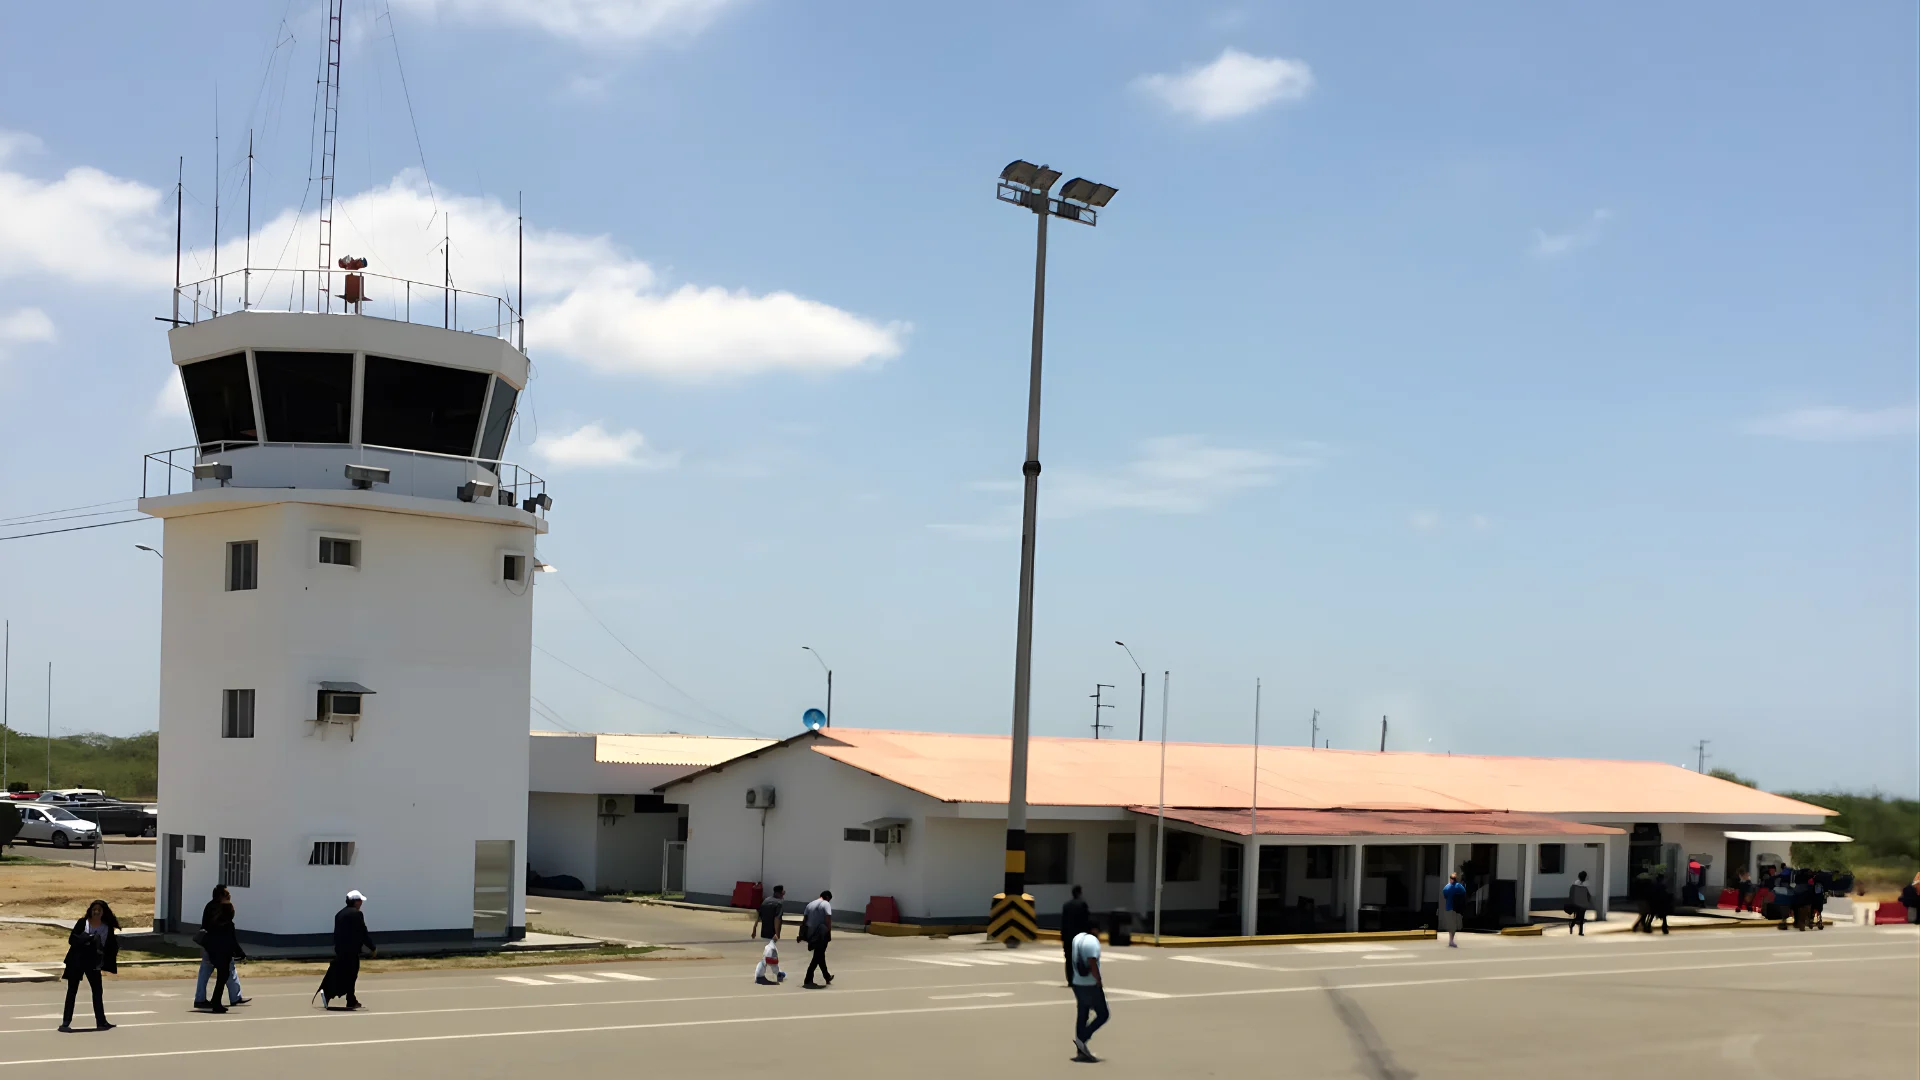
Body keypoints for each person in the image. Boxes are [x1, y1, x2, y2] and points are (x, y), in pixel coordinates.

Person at [59, 899, 119, 1033]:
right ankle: (65, 1022)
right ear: (90, 911)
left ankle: (101, 1021)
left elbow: (110, 946)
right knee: (72, 992)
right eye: (94, 909)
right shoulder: (82, 923)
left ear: (104, 912)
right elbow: (72, 940)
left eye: (99, 910)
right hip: (77, 961)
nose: (96, 912)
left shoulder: (106, 927)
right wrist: (89, 938)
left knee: (97, 992)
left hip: (93, 963)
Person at [317, 889, 376, 1010]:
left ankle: (339, 996)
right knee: (351, 975)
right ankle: (347, 999)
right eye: (360, 901)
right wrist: (372, 948)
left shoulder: (339, 914)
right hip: (351, 951)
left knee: (341, 973)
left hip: (340, 950)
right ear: (355, 902)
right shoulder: (357, 914)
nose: (361, 903)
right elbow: (363, 933)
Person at [195, 885, 244, 1013]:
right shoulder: (225, 918)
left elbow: (206, 926)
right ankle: (219, 1001)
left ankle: (209, 999)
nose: (229, 896)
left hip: (211, 946)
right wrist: (240, 952)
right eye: (227, 894)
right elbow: (231, 939)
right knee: (222, 975)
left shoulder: (210, 908)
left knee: (217, 974)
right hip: (221, 950)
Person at [1068, 927, 1108, 1063]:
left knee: (1083, 1014)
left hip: (1077, 983)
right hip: (1090, 984)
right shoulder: (1092, 941)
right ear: (1094, 929)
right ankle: (1082, 1038)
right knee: (1103, 1014)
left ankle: (1081, 1052)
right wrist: (1099, 981)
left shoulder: (1077, 938)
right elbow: (1092, 961)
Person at [1060, 885, 1092, 985]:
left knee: (1069, 958)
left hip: (1068, 936)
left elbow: (1063, 922)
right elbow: (1086, 921)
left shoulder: (1066, 905)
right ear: (1079, 893)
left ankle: (1070, 979)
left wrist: (1063, 935)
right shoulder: (1082, 905)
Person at [801, 890, 834, 989]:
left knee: (819, 955)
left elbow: (804, 920)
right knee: (817, 956)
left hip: (811, 934)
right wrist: (829, 933)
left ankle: (827, 976)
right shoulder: (826, 904)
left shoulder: (810, 904)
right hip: (821, 934)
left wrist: (802, 935)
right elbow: (828, 919)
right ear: (827, 897)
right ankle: (808, 979)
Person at [1440, 872, 1466, 947]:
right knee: (1454, 925)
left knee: (1451, 925)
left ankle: (1451, 940)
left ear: (1451, 879)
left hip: (1448, 908)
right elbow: (1464, 893)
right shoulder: (1459, 887)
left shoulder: (1446, 887)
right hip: (1456, 908)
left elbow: (1445, 896)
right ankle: (1451, 940)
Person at [1566, 871, 1593, 935]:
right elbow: (1588, 895)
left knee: (1580, 917)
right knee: (1581, 917)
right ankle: (1578, 930)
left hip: (1577, 903)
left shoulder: (1575, 884)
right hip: (1581, 903)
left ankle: (1576, 928)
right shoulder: (1585, 885)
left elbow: (1572, 894)